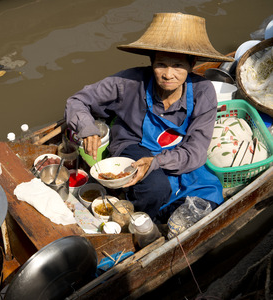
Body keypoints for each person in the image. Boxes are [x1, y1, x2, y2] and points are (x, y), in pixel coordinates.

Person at [65, 13, 234, 222]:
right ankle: (138, 219)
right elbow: (77, 101)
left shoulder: (203, 91)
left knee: (208, 197)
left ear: (192, 64)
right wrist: (87, 128)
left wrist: (156, 162)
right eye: (161, 64)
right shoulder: (129, 82)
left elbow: (196, 151)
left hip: (177, 152)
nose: (168, 74)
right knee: (155, 189)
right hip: (134, 144)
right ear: (151, 61)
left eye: (178, 65)